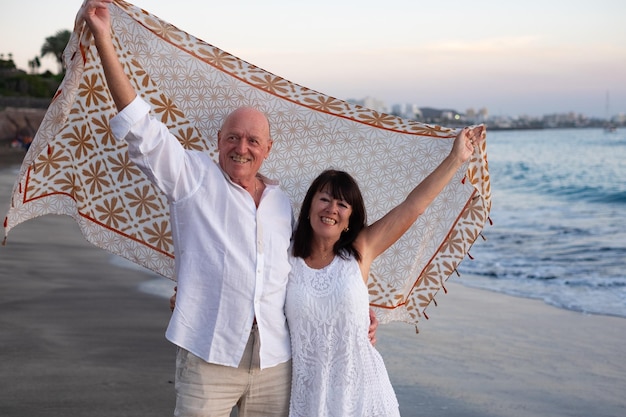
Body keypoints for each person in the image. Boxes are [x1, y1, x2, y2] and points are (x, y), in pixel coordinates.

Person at [82, 1, 377, 416]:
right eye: (233, 138)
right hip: (210, 353)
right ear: (218, 140)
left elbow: (307, 268)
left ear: (268, 150)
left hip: (277, 358)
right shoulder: (192, 178)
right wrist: (104, 39)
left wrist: (354, 317)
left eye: (253, 141)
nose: (242, 148)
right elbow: (140, 127)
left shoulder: (281, 203)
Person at [286, 125, 485, 416]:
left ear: (349, 219)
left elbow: (413, 207)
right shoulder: (286, 255)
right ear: (309, 206)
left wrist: (456, 158)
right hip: (306, 395)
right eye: (325, 199)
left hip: (362, 393)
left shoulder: (360, 249)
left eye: (342, 204)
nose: (332, 209)